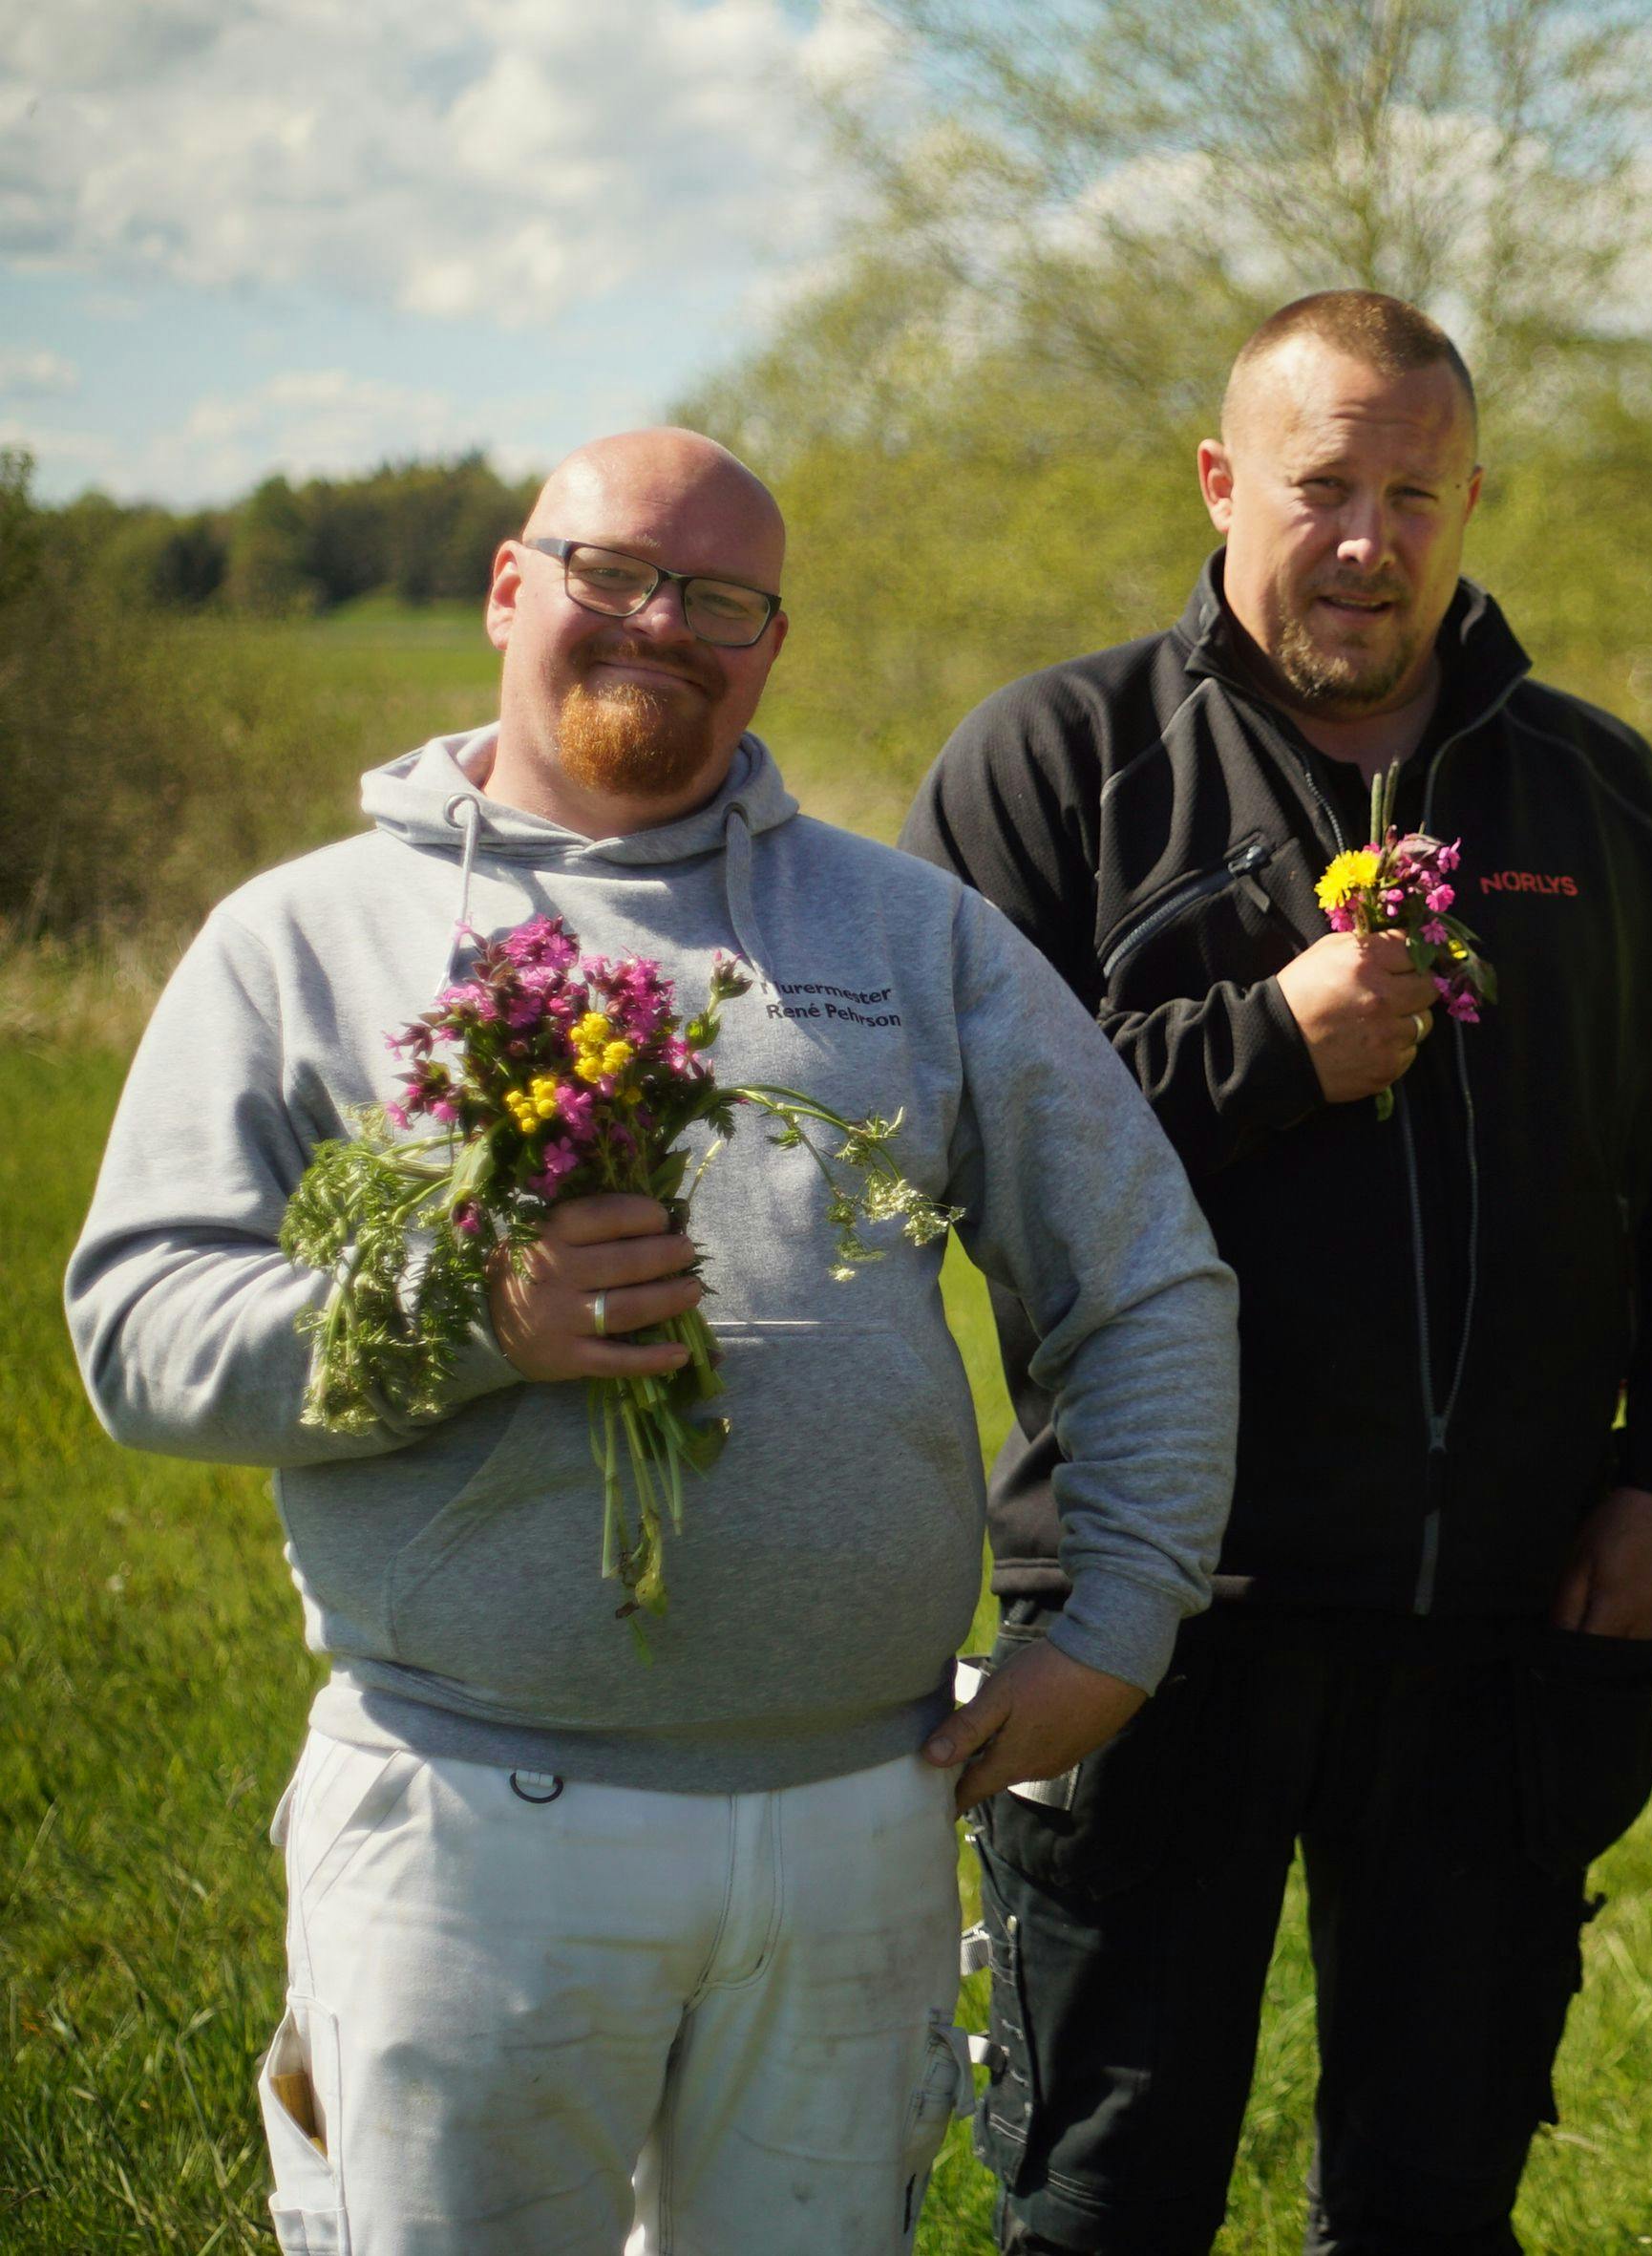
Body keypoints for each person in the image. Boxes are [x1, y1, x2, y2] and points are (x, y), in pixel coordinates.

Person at [65, 429, 1239, 2256]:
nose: (660, 622)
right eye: (613, 570)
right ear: (508, 585)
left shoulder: (906, 933)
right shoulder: (303, 939)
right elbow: (138, 1330)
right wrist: (473, 1313)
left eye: (720, 596)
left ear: (771, 643)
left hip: (862, 1812)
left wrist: (1122, 1612)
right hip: (473, 1817)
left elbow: (1147, 1272)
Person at [902, 290, 1652, 2255]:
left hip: (1493, 1628)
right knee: (1099, 2186)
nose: (1368, 541)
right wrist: (1259, 1051)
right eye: (1321, 487)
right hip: (1147, 1616)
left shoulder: (1600, 798)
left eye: (1416, 491)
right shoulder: (1055, 767)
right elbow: (946, 1136)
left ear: (1474, 499)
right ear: (1222, 481)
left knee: (1428, 2196)